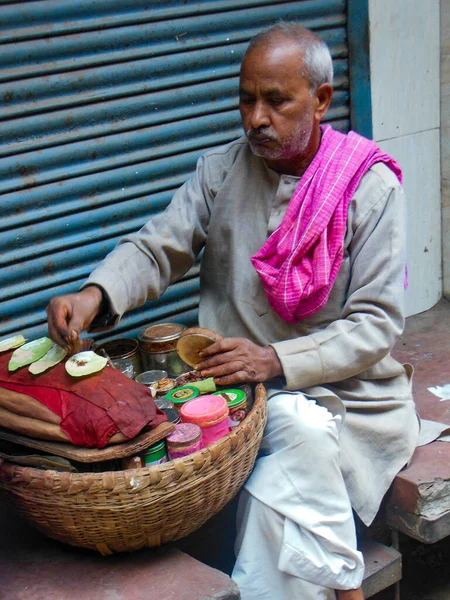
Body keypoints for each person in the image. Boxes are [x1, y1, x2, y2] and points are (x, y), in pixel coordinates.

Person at [46, 23, 419, 600]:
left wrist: (273, 359)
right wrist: (93, 296)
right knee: (290, 453)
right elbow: (157, 246)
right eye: (246, 99)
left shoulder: (369, 189)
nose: (255, 119)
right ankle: (345, 586)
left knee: (299, 437)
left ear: (321, 100)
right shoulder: (221, 171)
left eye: (276, 100)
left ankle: (341, 587)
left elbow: (374, 326)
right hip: (233, 395)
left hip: (347, 395)